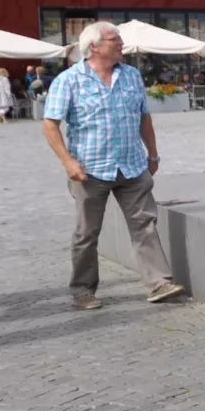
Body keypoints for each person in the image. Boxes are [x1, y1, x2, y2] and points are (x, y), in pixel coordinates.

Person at [42, 21, 185, 310]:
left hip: (132, 166)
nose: (121, 43)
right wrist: (67, 161)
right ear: (93, 47)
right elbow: (50, 125)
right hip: (89, 170)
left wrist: (153, 155)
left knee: (144, 225)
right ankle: (83, 290)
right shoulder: (68, 80)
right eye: (114, 39)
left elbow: (144, 118)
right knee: (87, 233)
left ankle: (159, 282)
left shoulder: (131, 76)